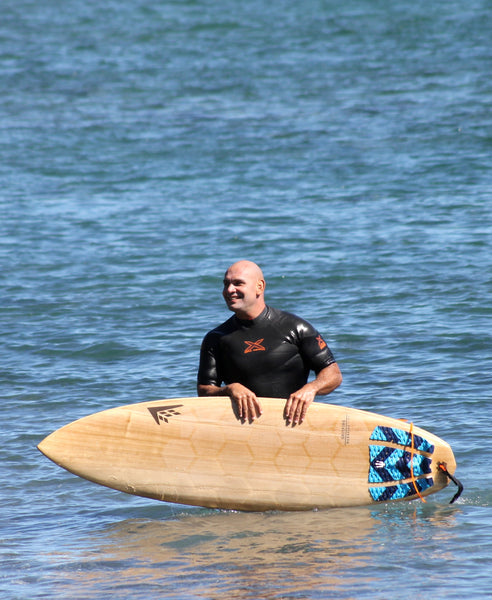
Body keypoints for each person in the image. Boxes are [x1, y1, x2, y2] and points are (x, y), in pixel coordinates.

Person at [197, 260, 342, 424]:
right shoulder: (216, 338)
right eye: (226, 284)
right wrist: (230, 389)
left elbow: (333, 375)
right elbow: (204, 391)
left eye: (238, 283)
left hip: (293, 423)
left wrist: (311, 389)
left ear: (259, 287)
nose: (229, 290)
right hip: (244, 427)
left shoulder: (296, 327)